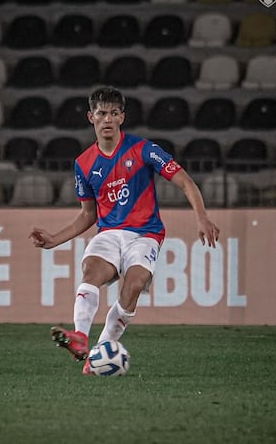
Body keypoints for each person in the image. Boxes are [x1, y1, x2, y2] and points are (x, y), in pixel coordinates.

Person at [29, 86, 220, 375]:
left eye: (114, 113)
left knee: (132, 287)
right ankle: (80, 337)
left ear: (122, 117)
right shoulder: (83, 164)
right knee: (91, 273)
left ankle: (99, 353)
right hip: (108, 234)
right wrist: (54, 239)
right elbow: (87, 215)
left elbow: (184, 181)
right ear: (90, 117)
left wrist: (202, 217)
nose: (107, 119)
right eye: (101, 113)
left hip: (145, 234)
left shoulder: (144, 150)